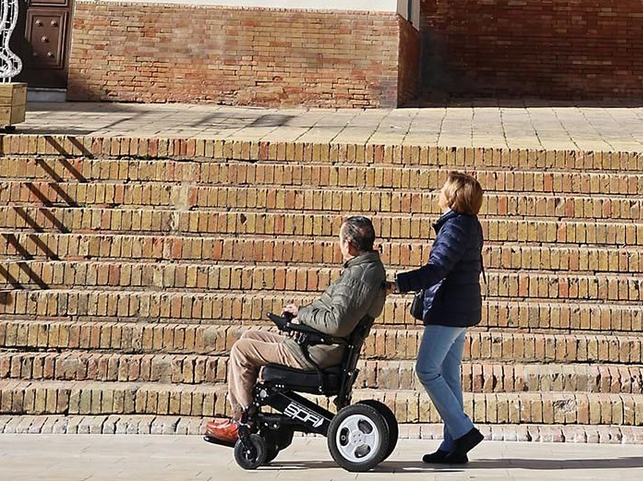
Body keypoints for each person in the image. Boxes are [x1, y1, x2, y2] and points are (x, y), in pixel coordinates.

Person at [203, 213, 387, 446]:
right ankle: (243, 415)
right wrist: (299, 319)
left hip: (315, 352)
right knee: (250, 337)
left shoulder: (356, 277)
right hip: (319, 344)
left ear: (349, 245)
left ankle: (243, 422)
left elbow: (336, 323)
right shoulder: (368, 268)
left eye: (340, 240)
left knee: (241, 350)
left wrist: (302, 314)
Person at [390, 169, 485, 465]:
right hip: (459, 309)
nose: (438, 192)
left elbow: (438, 268)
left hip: (448, 310)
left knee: (427, 370)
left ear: (452, 197)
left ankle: (463, 430)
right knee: (448, 375)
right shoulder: (467, 224)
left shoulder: (455, 227)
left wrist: (399, 283)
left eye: (444, 189)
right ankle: (453, 445)